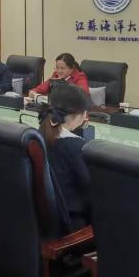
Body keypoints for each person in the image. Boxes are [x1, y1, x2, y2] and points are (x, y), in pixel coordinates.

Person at [39, 83, 92, 230]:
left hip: (39, 222)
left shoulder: (36, 137)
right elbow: (90, 190)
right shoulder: (78, 147)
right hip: (68, 225)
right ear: (82, 114)